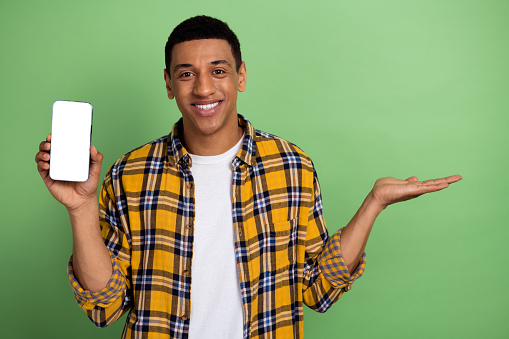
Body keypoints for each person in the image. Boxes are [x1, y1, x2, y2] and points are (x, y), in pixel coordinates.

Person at [35, 15, 461, 339]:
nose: (203, 88)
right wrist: (81, 206)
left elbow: (317, 290)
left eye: (218, 71)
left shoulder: (291, 166)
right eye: (186, 74)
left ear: (240, 75)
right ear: (168, 83)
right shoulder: (129, 174)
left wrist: (374, 203)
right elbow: (104, 308)